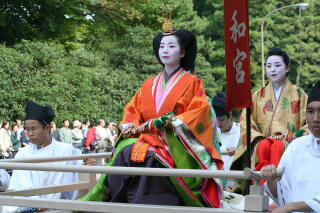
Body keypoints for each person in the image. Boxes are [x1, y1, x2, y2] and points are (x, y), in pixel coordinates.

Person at [79, 18, 223, 208]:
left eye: (171, 46)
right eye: (162, 46)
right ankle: (115, 201)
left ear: (182, 52)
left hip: (174, 143)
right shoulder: (148, 84)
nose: (164, 50)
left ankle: (147, 204)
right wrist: (130, 125)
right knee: (125, 151)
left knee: (152, 156)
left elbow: (199, 113)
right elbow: (132, 110)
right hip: (144, 137)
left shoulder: (192, 82)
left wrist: (171, 123)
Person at [3, 101, 96, 212]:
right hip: (31, 209)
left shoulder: (66, 150)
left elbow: (82, 167)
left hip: (62, 208)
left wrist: (88, 164)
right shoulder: (23, 154)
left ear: (47, 128)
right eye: (27, 129)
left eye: (33, 129)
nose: (30, 133)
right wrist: (36, 205)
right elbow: (22, 186)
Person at [231, 47, 308, 173]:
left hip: (290, 144)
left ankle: (276, 188)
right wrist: (259, 139)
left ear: (287, 68)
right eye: (268, 66)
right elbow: (246, 120)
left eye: (277, 65)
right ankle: (263, 188)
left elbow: (309, 121)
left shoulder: (299, 94)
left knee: (277, 146)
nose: (272, 69)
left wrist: (294, 136)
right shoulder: (257, 95)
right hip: (263, 141)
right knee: (263, 146)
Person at [261, 81, 320, 213]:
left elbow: (288, 206)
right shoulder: (297, 146)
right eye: (310, 111)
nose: (316, 118)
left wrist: (292, 207)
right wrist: (271, 179)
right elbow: (281, 194)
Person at [212, 92, 240, 189]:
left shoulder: (241, 132)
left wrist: (239, 150)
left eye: (222, 120)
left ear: (230, 115)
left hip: (236, 186)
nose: (219, 124)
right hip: (217, 185)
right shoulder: (212, 133)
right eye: (216, 120)